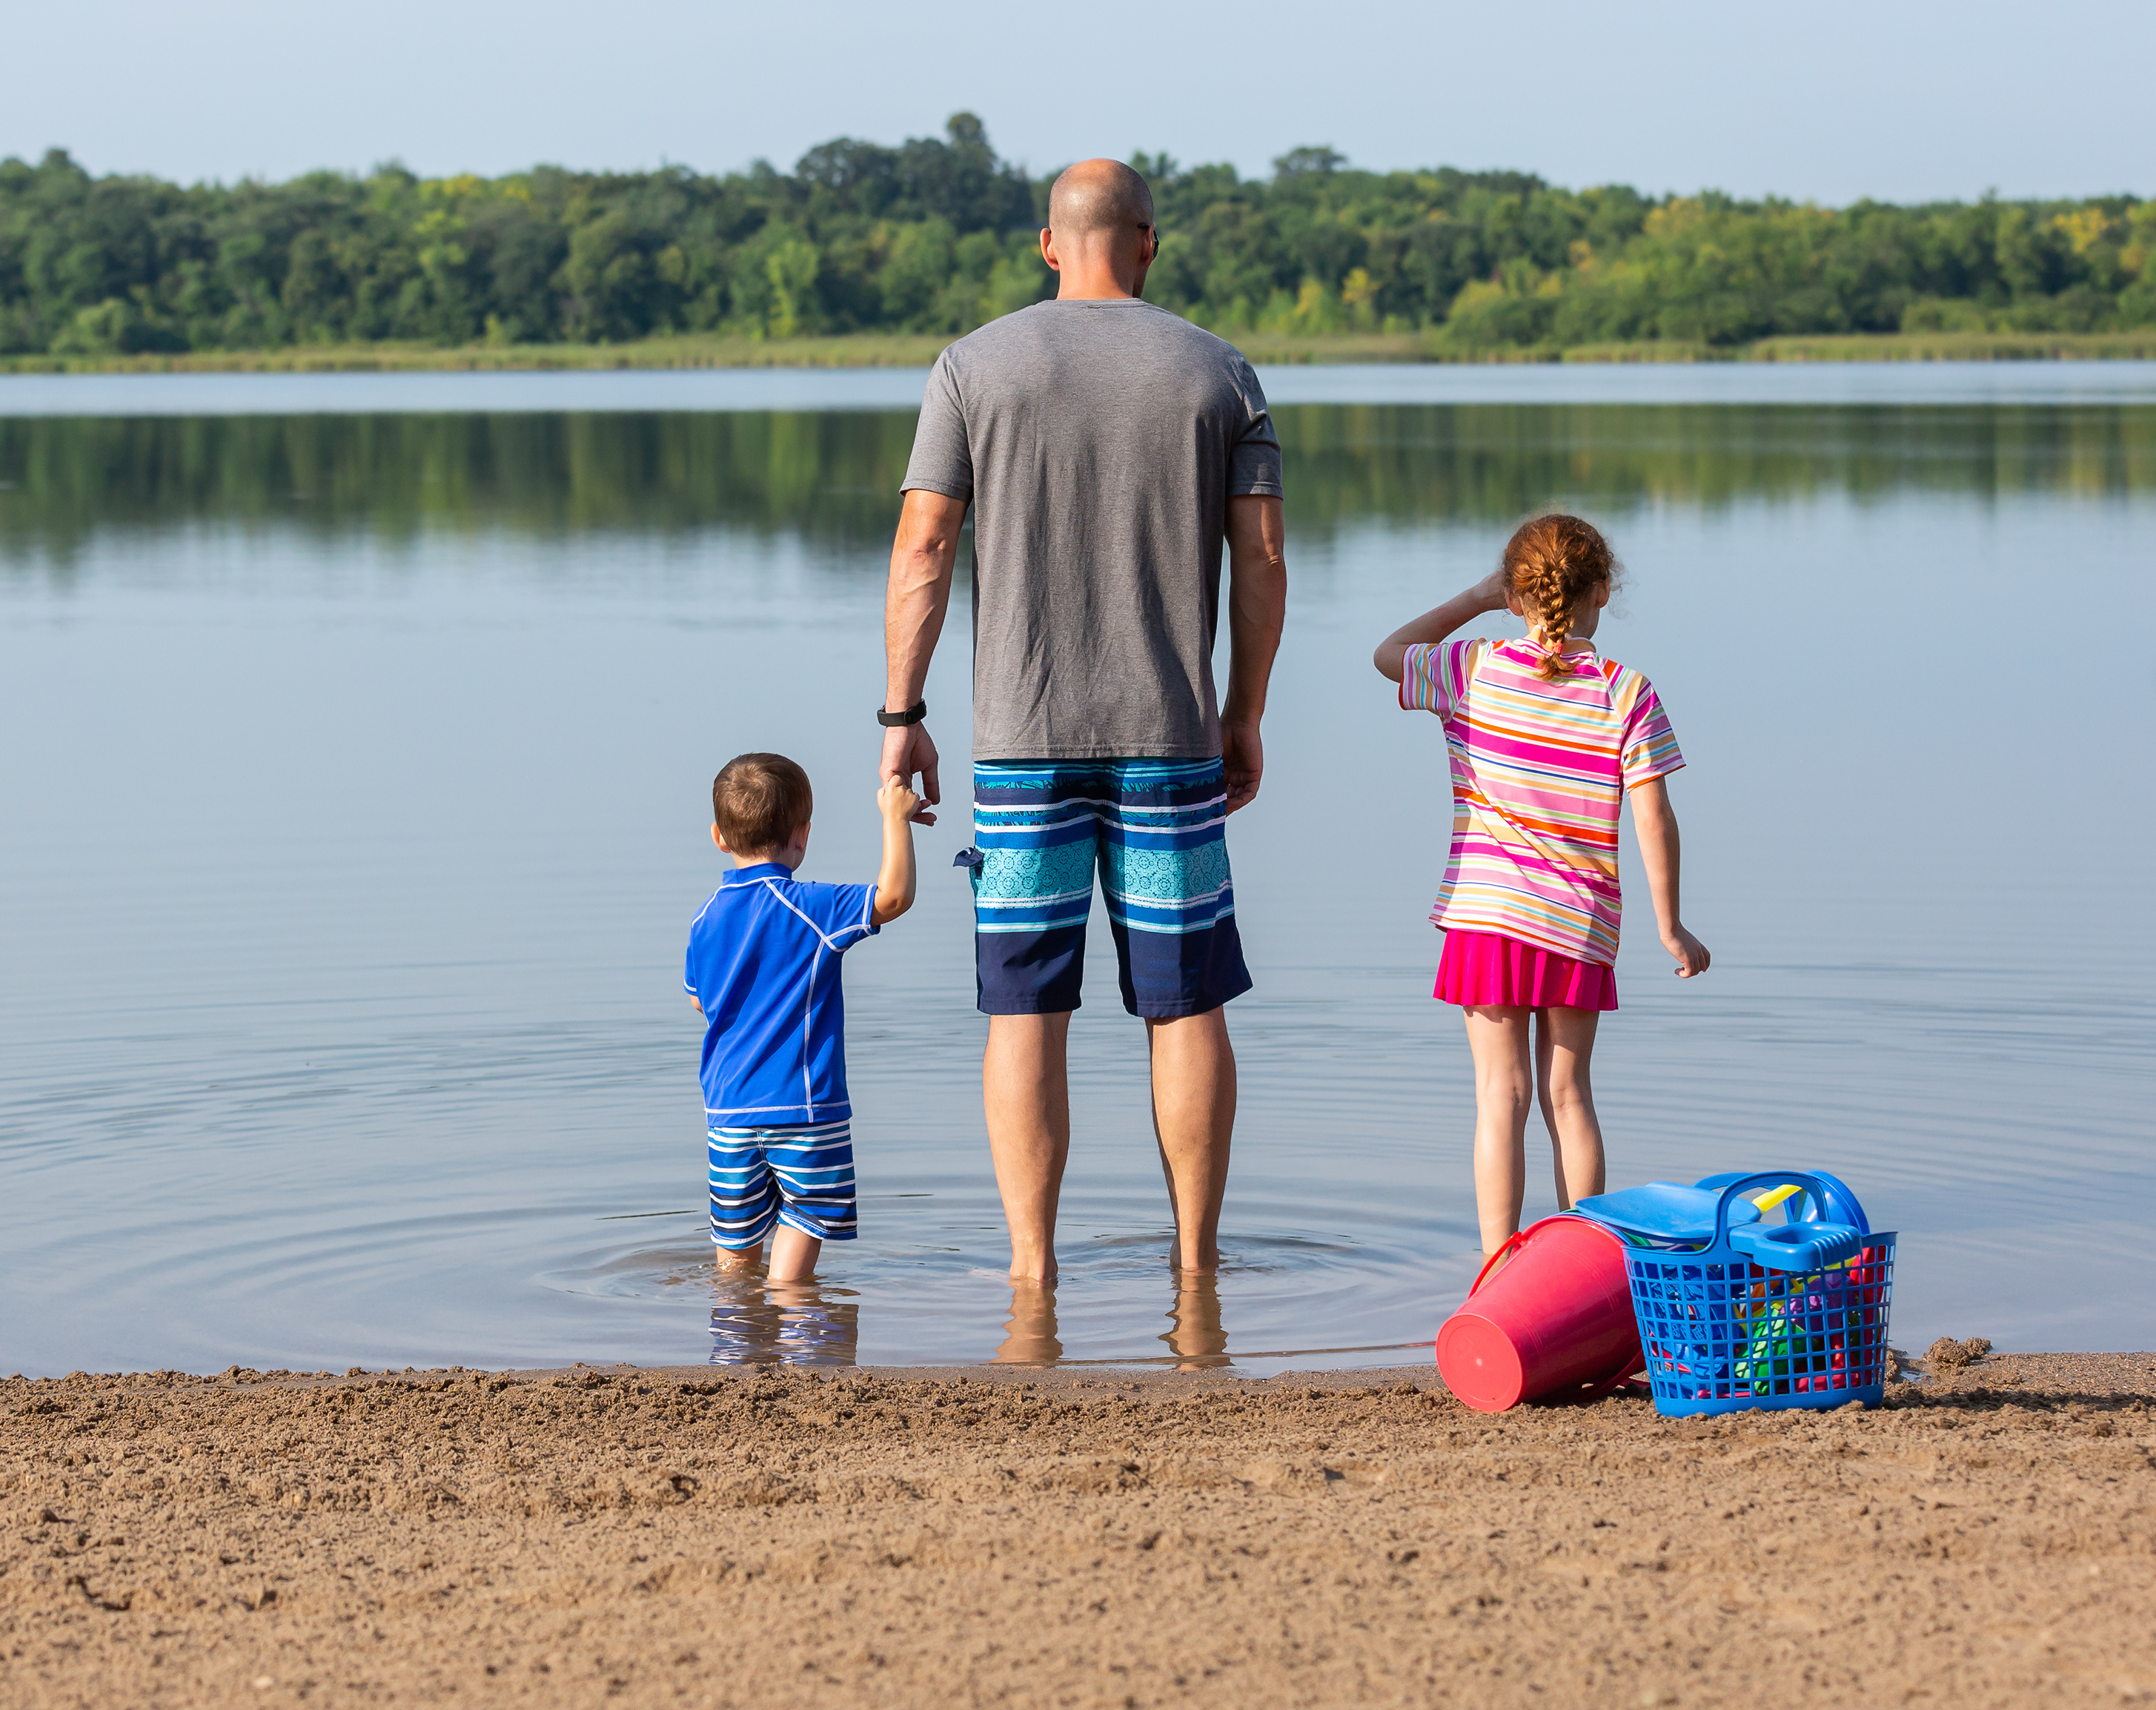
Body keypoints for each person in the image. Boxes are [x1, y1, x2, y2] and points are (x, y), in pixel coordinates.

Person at [879, 157, 1288, 1286]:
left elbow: (923, 549)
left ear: (1047, 245)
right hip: (1171, 735)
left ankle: (1030, 1272)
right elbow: (1260, 560)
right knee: (1187, 998)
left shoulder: (973, 368)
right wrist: (1242, 711)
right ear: (1149, 242)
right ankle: (1197, 1267)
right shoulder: (1221, 373)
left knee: (1024, 1012)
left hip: (1021, 742)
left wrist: (901, 716)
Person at [1370, 513, 1709, 1262]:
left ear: (1517, 593)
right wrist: (1671, 923)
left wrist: (1475, 598)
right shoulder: (1627, 694)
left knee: (1502, 1097)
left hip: (1485, 916)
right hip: (1577, 924)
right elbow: (1653, 815)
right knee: (1569, 1096)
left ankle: (1498, 1270)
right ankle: (1585, 1262)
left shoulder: (1474, 668)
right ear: (1602, 592)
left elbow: (1387, 654)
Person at [683, 752, 922, 1285]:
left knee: (735, 1253)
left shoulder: (705, 918)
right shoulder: (810, 907)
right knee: (806, 1218)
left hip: (727, 1115)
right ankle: (792, 1314)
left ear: (719, 837)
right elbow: (894, 896)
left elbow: (700, 1001)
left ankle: (737, 1336)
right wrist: (894, 819)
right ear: (803, 835)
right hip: (806, 1111)